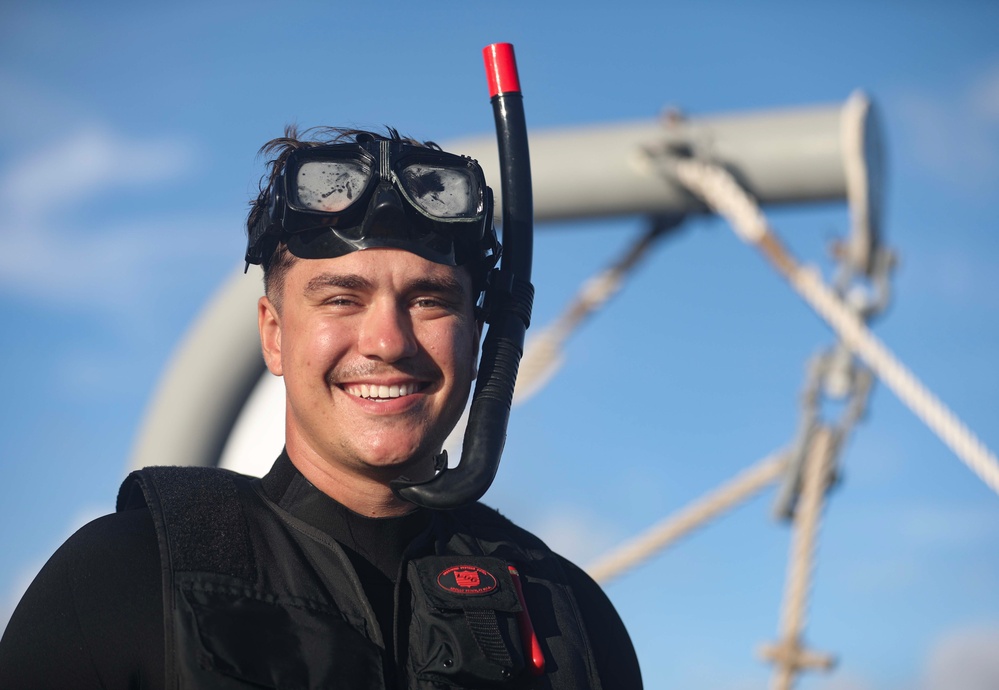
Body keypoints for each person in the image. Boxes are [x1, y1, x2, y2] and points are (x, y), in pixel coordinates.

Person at [0, 127, 642, 689]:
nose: (388, 341)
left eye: (430, 301)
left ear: (480, 337)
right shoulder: (124, 577)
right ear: (274, 335)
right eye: (342, 299)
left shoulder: (568, 617)